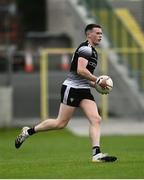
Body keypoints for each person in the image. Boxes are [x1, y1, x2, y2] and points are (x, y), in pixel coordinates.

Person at [15, 24, 117, 163]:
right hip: (72, 89)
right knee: (60, 123)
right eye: (97, 33)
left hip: (84, 89)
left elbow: (83, 76)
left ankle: (96, 154)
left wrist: (98, 85)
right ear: (89, 35)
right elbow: (81, 70)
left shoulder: (93, 51)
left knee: (96, 119)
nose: (100, 35)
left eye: (101, 33)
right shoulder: (86, 49)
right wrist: (98, 79)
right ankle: (28, 132)